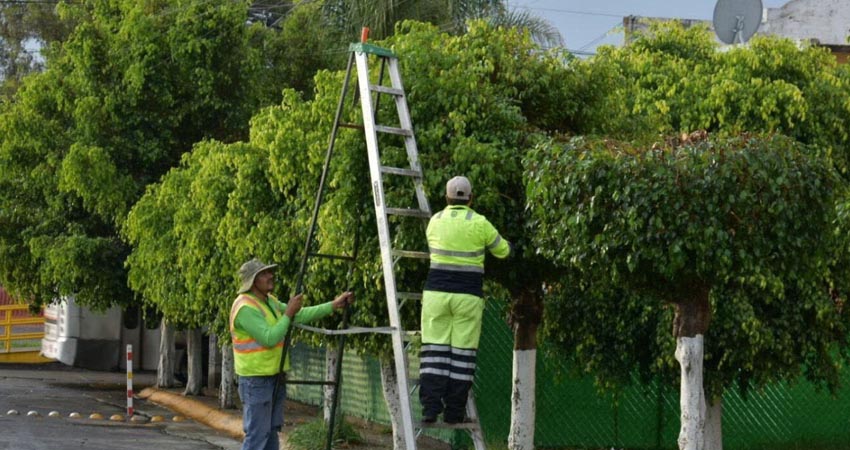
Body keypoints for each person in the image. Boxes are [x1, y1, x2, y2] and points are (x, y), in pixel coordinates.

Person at [230, 258, 353, 450]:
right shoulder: (245, 308)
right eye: (264, 274)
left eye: (269, 272)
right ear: (253, 281)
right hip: (256, 381)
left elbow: (298, 314)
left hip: (274, 377)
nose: (271, 276)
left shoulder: (268, 301)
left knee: (271, 433)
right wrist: (287, 313)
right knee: (257, 436)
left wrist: (333, 305)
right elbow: (269, 338)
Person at [419, 176, 511, 424]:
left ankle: (430, 409)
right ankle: (454, 412)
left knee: (433, 352)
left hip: (436, 294)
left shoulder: (434, 221)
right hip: (468, 297)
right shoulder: (480, 223)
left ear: (446, 197)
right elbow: (503, 251)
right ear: (471, 198)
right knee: (462, 356)